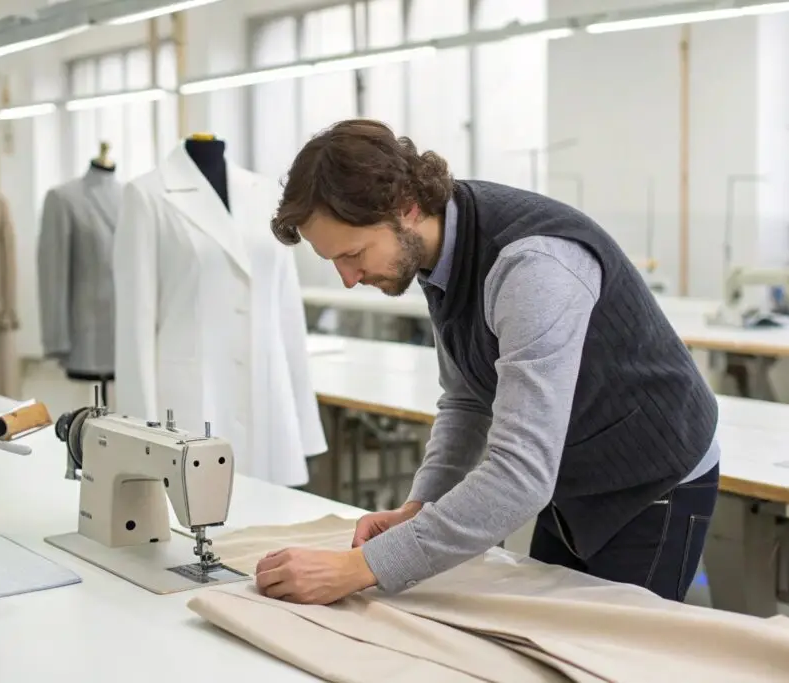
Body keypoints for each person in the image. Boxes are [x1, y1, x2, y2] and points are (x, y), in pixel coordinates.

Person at [253, 119, 720, 606]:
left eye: (352, 254)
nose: (347, 278)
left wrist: (361, 568)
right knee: (551, 637)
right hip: (571, 472)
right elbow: (466, 400)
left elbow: (520, 474)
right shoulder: (437, 248)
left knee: (611, 657)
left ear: (405, 209)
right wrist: (421, 505)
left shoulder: (532, 266)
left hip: (652, 474)